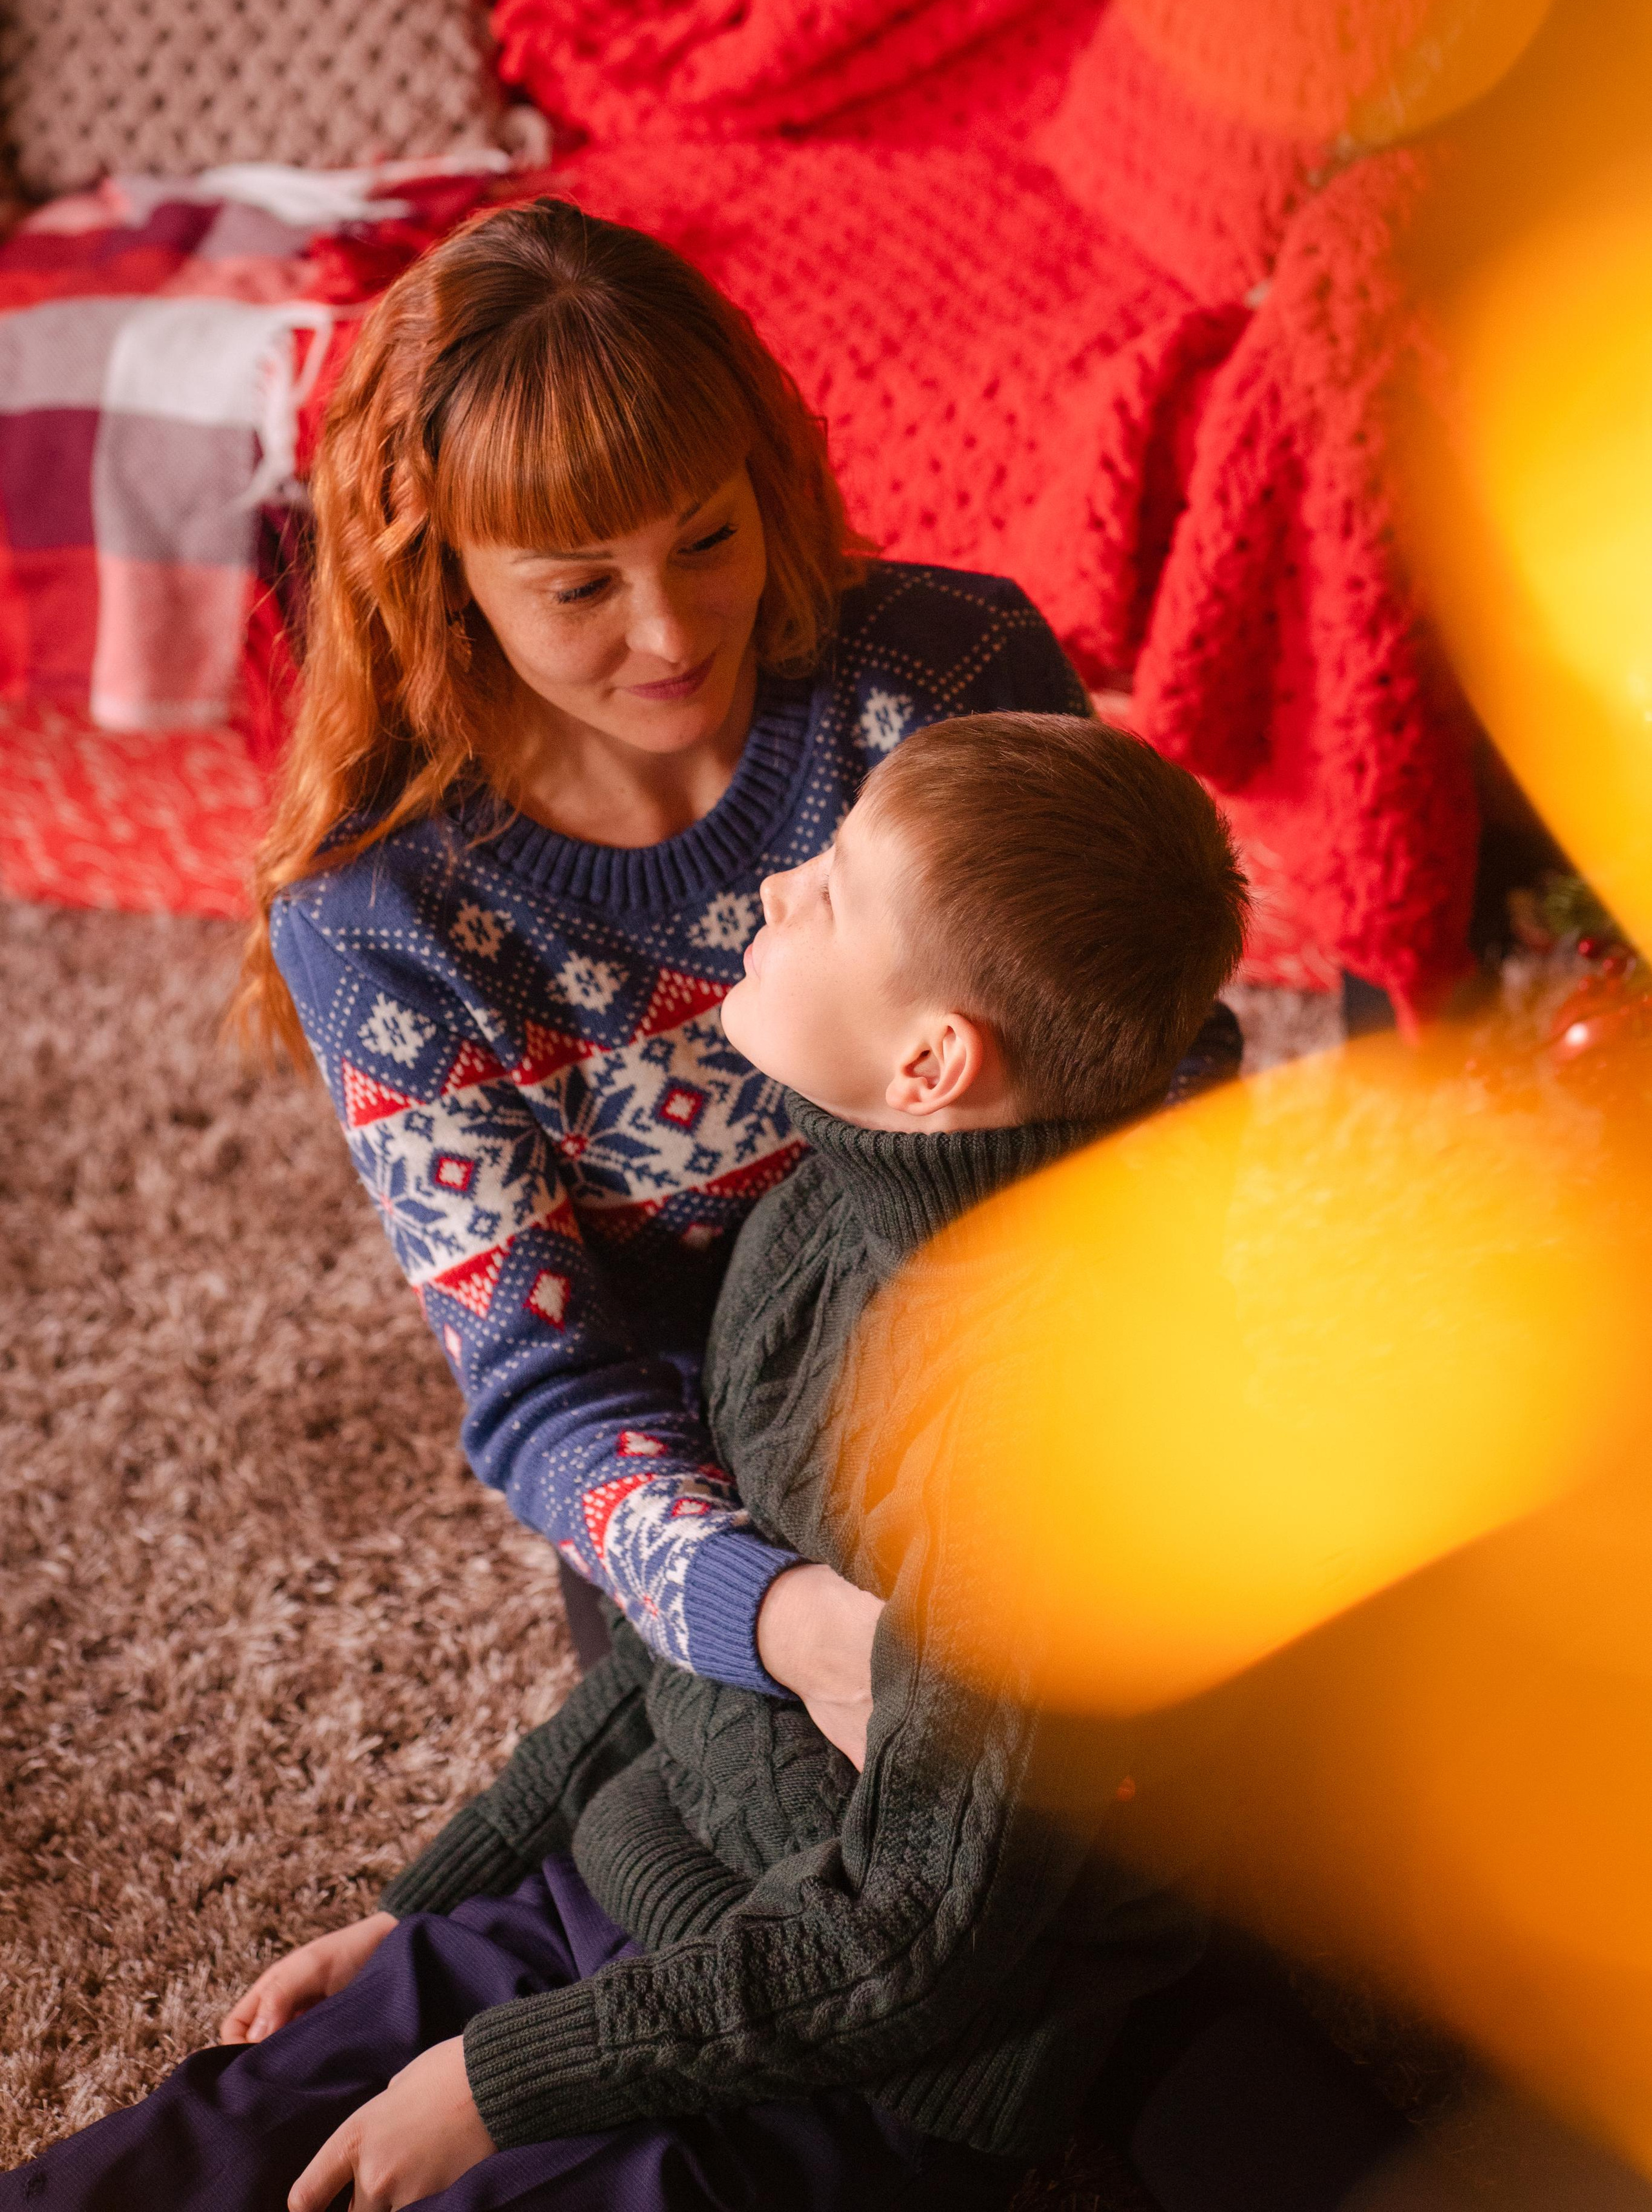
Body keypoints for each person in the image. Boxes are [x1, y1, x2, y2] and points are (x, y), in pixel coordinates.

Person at [1, 711, 1253, 2212]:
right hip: (621, 1893)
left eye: (833, 889)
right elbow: (681, 1634)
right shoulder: (812, 1215)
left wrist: (493, 2082)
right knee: (186, 2146)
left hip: (839, 2056)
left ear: (928, 1062)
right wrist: (440, 1903)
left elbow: (914, 1943)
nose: (778, 886)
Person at [230, 195, 1240, 1736]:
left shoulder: (947, 674)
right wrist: (792, 1624)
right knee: (729, 1841)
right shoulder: (378, 916)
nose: (669, 632)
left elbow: (1149, 1046)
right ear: (438, 578)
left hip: (1041, 1329)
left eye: (707, 536)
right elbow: (541, 1380)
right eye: (577, 587)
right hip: (708, 1452)